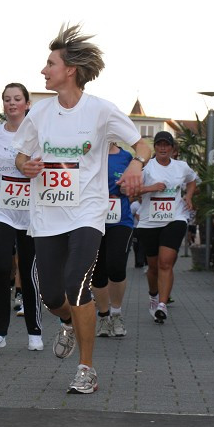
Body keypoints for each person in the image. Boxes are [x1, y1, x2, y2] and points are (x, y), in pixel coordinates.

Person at [15, 23, 151, 394]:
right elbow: (22, 156)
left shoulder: (101, 111)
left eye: (50, 63)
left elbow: (142, 144)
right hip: (46, 214)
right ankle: (68, 323)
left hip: (87, 213)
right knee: (51, 296)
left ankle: (86, 368)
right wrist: (25, 165)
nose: (44, 70)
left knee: (78, 284)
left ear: (69, 70)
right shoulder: (39, 114)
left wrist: (137, 165)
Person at [0, 83, 43, 353]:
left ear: (27, 104)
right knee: (2, 267)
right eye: (7, 99)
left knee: (28, 270)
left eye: (17, 99)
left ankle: (34, 330)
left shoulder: (38, 136)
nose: (11, 103)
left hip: (30, 213)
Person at [136, 131, 198, 324]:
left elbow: (192, 180)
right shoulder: (146, 167)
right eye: (159, 145)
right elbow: (129, 190)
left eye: (166, 145)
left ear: (172, 148)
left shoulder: (181, 167)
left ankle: (162, 305)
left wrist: (188, 196)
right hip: (149, 221)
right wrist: (149, 188)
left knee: (165, 262)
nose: (163, 148)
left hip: (175, 218)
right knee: (153, 266)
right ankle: (154, 295)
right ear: (155, 147)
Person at [93, 143, 136, 338]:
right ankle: (103, 316)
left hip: (120, 219)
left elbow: (136, 186)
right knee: (97, 271)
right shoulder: (88, 153)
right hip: (93, 218)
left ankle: (116, 313)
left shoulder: (126, 157)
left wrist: (130, 189)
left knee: (116, 266)